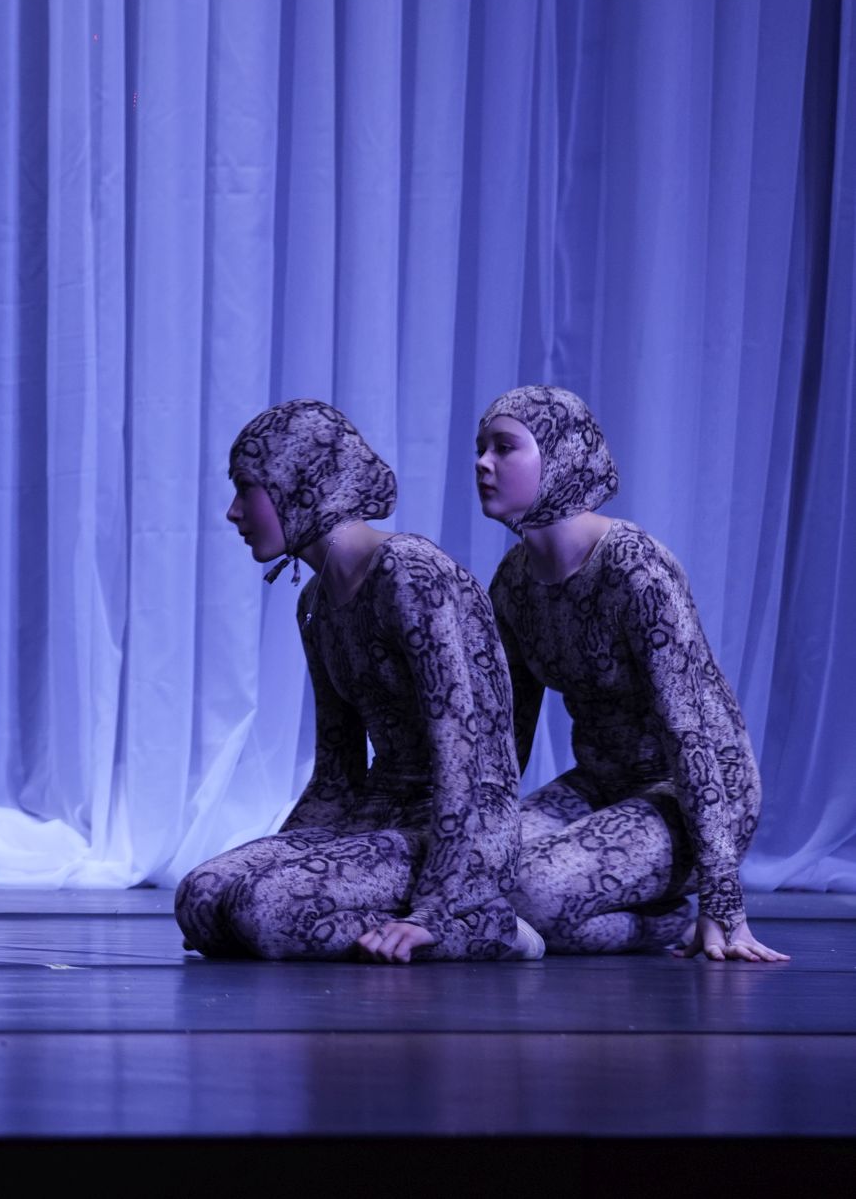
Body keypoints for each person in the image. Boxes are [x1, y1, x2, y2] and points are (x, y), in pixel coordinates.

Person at [175, 400, 538, 963]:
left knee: (261, 910)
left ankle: (490, 926)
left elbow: (461, 759)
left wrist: (437, 905)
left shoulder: (409, 572)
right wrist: (281, 860)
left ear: (300, 483)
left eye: (247, 488)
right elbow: (336, 772)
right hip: (378, 814)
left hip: (466, 827)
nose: (233, 512)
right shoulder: (314, 602)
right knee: (201, 898)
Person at [476, 386, 782, 961]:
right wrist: (472, 838)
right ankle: (625, 912)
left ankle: (668, 924)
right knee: (478, 871)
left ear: (560, 456)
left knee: (528, 893)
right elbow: (509, 736)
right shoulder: (515, 580)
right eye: (481, 448)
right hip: (601, 785)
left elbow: (689, 734)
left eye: (505, 447)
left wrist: (723, 898)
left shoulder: (635, 569)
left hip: (698, 795)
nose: (483, 463)